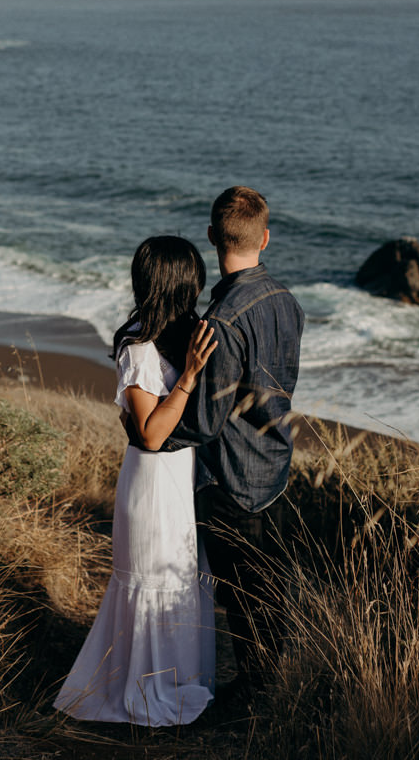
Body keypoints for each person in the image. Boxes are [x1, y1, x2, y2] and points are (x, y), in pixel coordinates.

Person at [54, 235, 219, 726]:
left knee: (179, 579)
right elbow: (150, 434)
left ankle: (179, 682)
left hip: (181, 476)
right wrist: (188, 376)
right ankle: (147, 694)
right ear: (179, 284)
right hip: (151, 481)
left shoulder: (185, 335)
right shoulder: (139, 349)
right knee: (151, 581)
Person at [166, 186, 305, 701]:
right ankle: (273, 683)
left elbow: (204, 422)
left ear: (210, 238)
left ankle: (256, 696)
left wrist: (152, 439)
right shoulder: (287, 301)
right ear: (264, 238)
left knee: (244, 594)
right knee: (271, 585)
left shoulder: (220, 319)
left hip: (233, 476)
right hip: (276, 461)